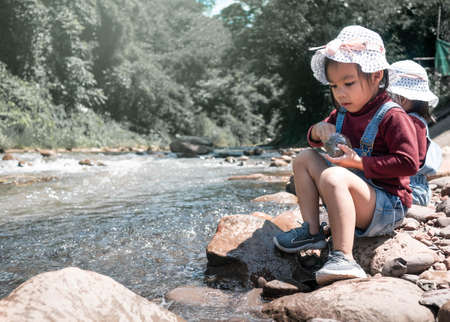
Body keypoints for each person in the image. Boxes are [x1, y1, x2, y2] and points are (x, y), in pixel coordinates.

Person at [273, 25, 420, 285]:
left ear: (376, 76)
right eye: (334, 86)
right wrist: (318, 132)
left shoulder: (392, 115)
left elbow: (409, 163)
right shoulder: (343, 112)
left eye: (348, 83)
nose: (341, 93)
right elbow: (315, 136)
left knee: (334, 176)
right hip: (354, 194)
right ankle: (312, 231)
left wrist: (359, 163)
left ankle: (344, 257)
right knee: (305, 157)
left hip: (386, 204)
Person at [388, 60, 442, 206]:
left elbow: (408, 162)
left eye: (387, 96)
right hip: (412, 186)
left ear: (402, 99)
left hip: (412, 189)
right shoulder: (414, 121)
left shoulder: (411, 123)